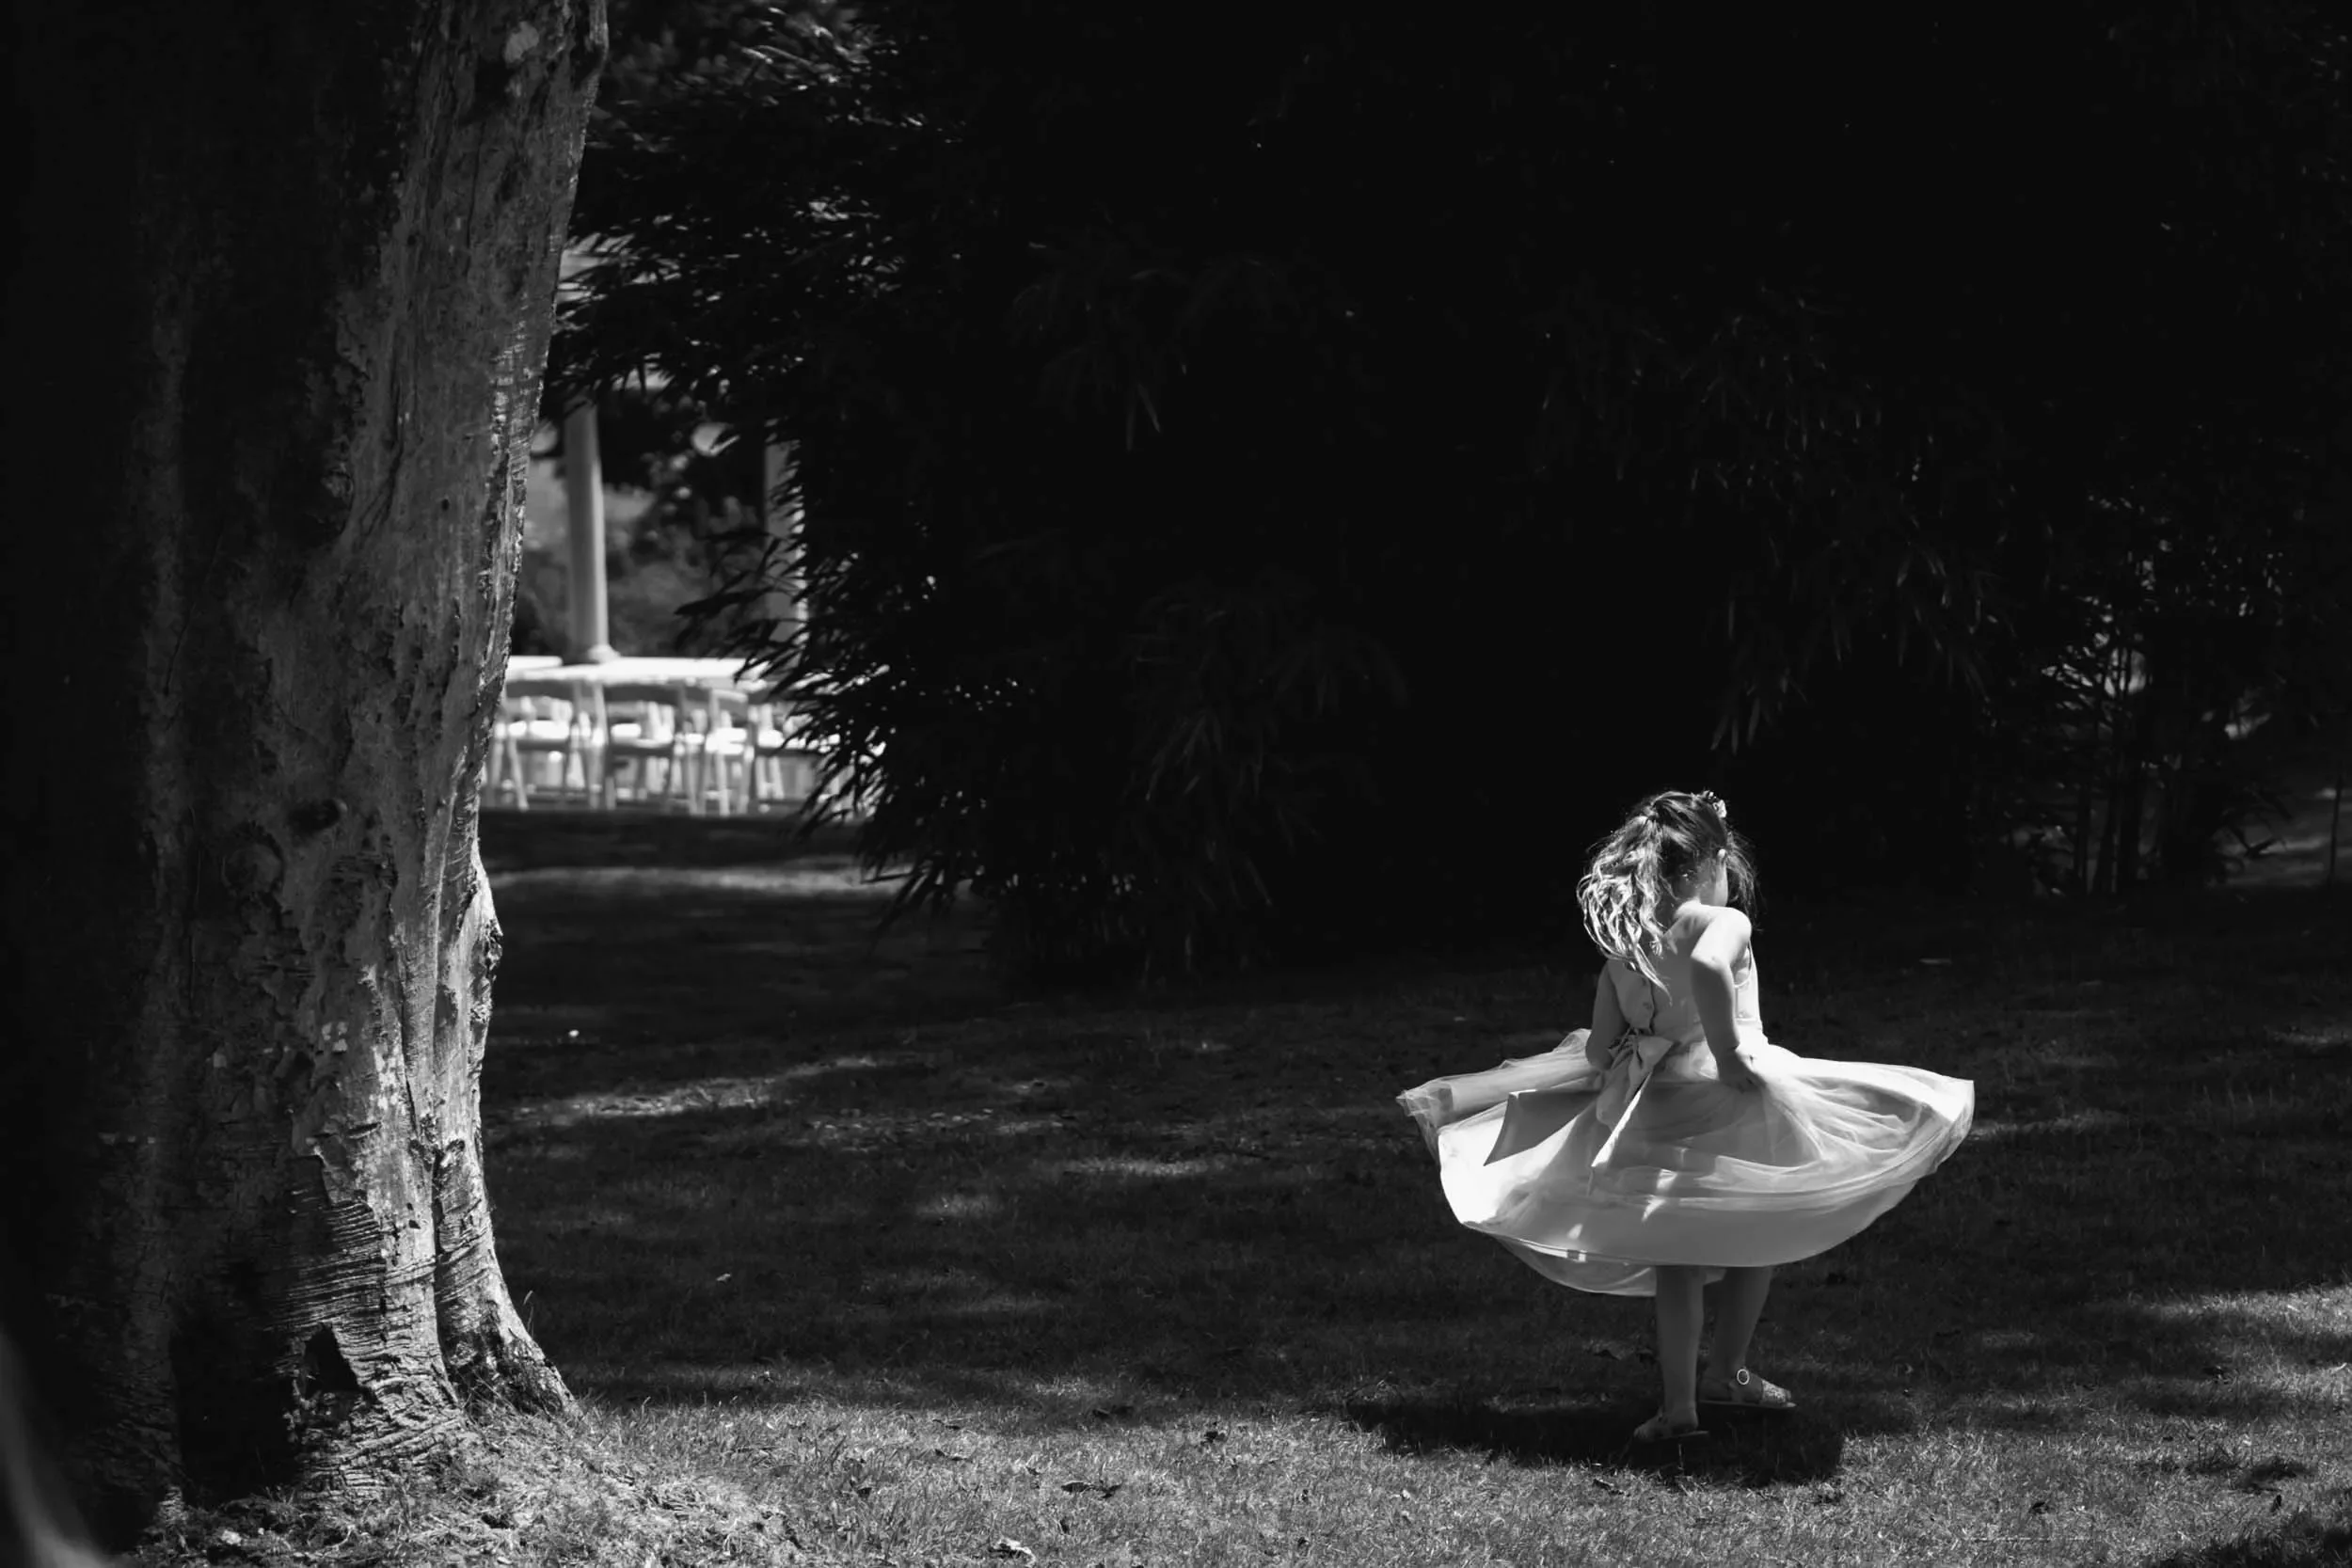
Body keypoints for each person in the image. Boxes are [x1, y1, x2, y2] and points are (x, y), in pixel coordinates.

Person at [1397, 789, 1974, 1444]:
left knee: (1677, 1255)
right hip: (1731, 1093)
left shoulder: (1626, 951)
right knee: (1763, 1217)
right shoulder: (1716, 923)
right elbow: (1706, 966)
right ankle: (1727, 1369)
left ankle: (1680, 1408)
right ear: (1715, 862)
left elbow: (1595, 1048)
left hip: (1659, 1103)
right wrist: (1728, 1055)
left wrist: (1631, 1055)